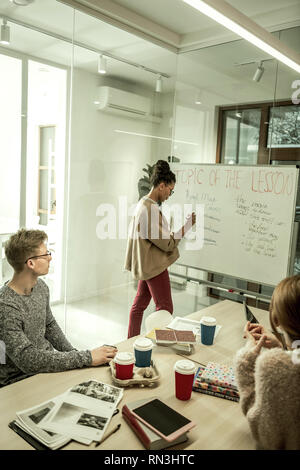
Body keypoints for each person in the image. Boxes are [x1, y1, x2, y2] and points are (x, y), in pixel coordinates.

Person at [0, 229, 117, 387]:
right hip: (18, 381)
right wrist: (86, 357)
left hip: (45, 367)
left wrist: (76, 355)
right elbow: (27, 360)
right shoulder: (6, 305)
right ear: (31, 263)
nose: (50, 257)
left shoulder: (41, 287)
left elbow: (49, 325)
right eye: (45, 254)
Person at [125, 160, 196, 338]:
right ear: (162, 186)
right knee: (165, 309)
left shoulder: (143, 204)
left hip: (146, 266)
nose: (169, 195)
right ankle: (162, 345)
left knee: (139, 305)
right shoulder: (150, 210)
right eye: (170, 190)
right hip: (154, 267)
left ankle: (130, 341)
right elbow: (169, 243)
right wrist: (187, 226)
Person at [234, 274, 300, 450]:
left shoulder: (273, 364)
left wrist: (245, 361)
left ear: (277, 320)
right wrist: (284, 349)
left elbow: (264, 434)